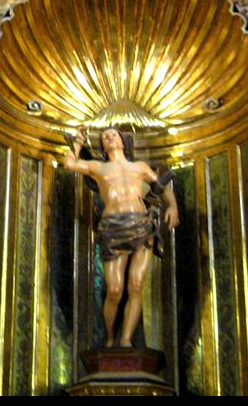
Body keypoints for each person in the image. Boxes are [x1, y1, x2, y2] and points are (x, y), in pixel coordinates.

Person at [64, 126, 179, 348]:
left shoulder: (140, 167)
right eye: (105, 137)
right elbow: (70, 164)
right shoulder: (98, 167)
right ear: (102, 146)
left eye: (113, 134)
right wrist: (78, 141)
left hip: (142, 226)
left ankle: (126, 339)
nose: (109, 137)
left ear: (122, 141)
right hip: (113, 228)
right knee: (114, 290)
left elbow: (163, 187)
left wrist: (173, 206)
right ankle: (110, 338)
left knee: (136, 285)